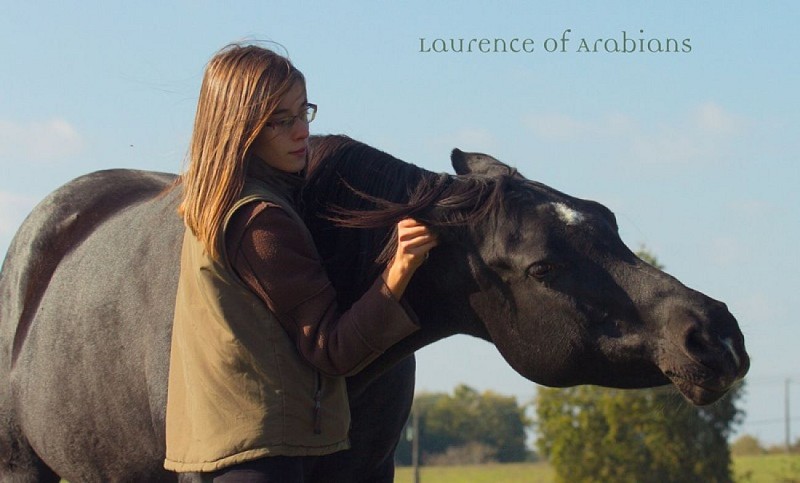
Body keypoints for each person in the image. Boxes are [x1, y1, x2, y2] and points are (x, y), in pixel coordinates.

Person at [163, 43, 437, 482]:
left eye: (303, 112)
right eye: (281, 121)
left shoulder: (212, 207)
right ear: (242, 129)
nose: (301, 132)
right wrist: (399, 268)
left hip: (224, 452)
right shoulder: (261, 221)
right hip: (265, 459)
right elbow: (332, 349)